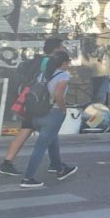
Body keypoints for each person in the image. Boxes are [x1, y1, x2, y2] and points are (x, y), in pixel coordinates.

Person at [0, 38, 66, 177]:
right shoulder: (51, 63)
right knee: (43, 131)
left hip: (30, 98)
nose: (63, 48)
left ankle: (8, 162)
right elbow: (49, 84)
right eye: (62, 46)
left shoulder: (38, 59)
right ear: (56, 49)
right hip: (40, 102)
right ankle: (43, 170)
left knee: (28, 130)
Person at [19, 50, 78, 187]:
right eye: (68, 62)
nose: (68, 64)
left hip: (36, 114)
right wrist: (64, 109)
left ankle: (58, 167)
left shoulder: (43, 74)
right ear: (64, 63)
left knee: (52, 139)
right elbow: (58, 95)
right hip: (52, 114)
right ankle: (28, 178)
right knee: (40, 147)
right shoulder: (63, 75)